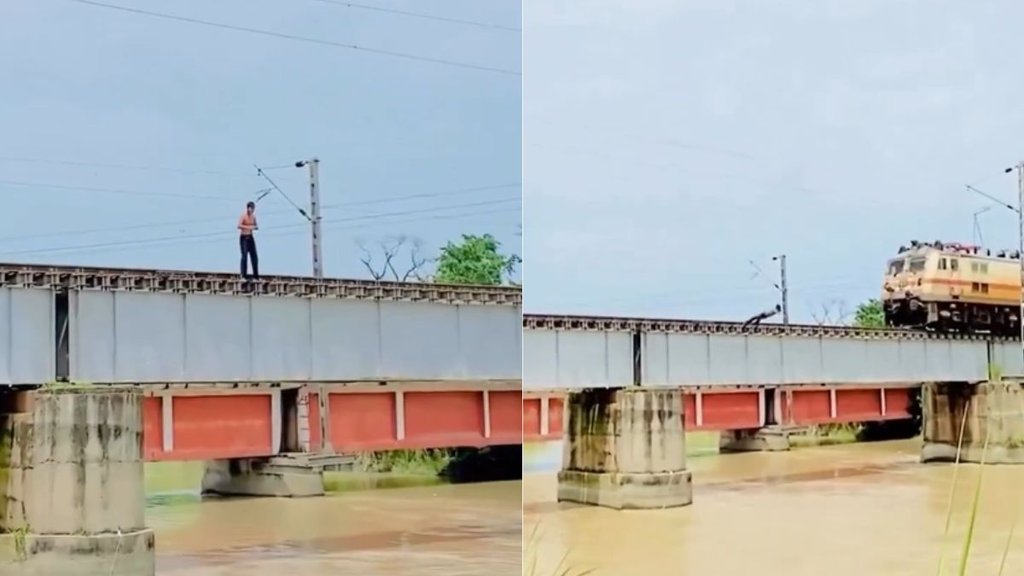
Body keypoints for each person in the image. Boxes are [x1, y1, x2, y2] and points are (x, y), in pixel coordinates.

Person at [238, 201, 259, 281]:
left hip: (250, 237)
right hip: (243, 238)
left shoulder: (253, 217)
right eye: (250, 208)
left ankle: (256, 276)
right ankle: (243, 275)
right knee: (244, 256)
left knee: (254, 256)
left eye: (253, 209)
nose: (252, 210)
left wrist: (254, 227)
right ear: (248, 208)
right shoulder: (243, 216)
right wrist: (248, 227)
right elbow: (239, 225)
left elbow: (256, 225)